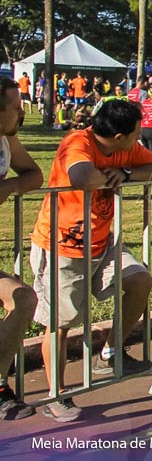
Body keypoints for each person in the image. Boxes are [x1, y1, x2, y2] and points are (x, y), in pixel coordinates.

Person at [29, 100, 152, 421]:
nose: (140, 138)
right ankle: (56, 395)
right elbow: (81, 177)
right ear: (119, 136)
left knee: (139, 279)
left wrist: (127, 172)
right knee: (60, 324)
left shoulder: (125, 149)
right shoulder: (78, 141)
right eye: (136, 134)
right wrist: (110, 177)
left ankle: (109, 353)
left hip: (103, 243)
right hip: (63, 246)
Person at [0, 77, 43, 420]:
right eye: (15, 108)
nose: (22, 112)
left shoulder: (7, 139)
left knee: (24, 298)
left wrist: (11, 184)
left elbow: (34, 174)